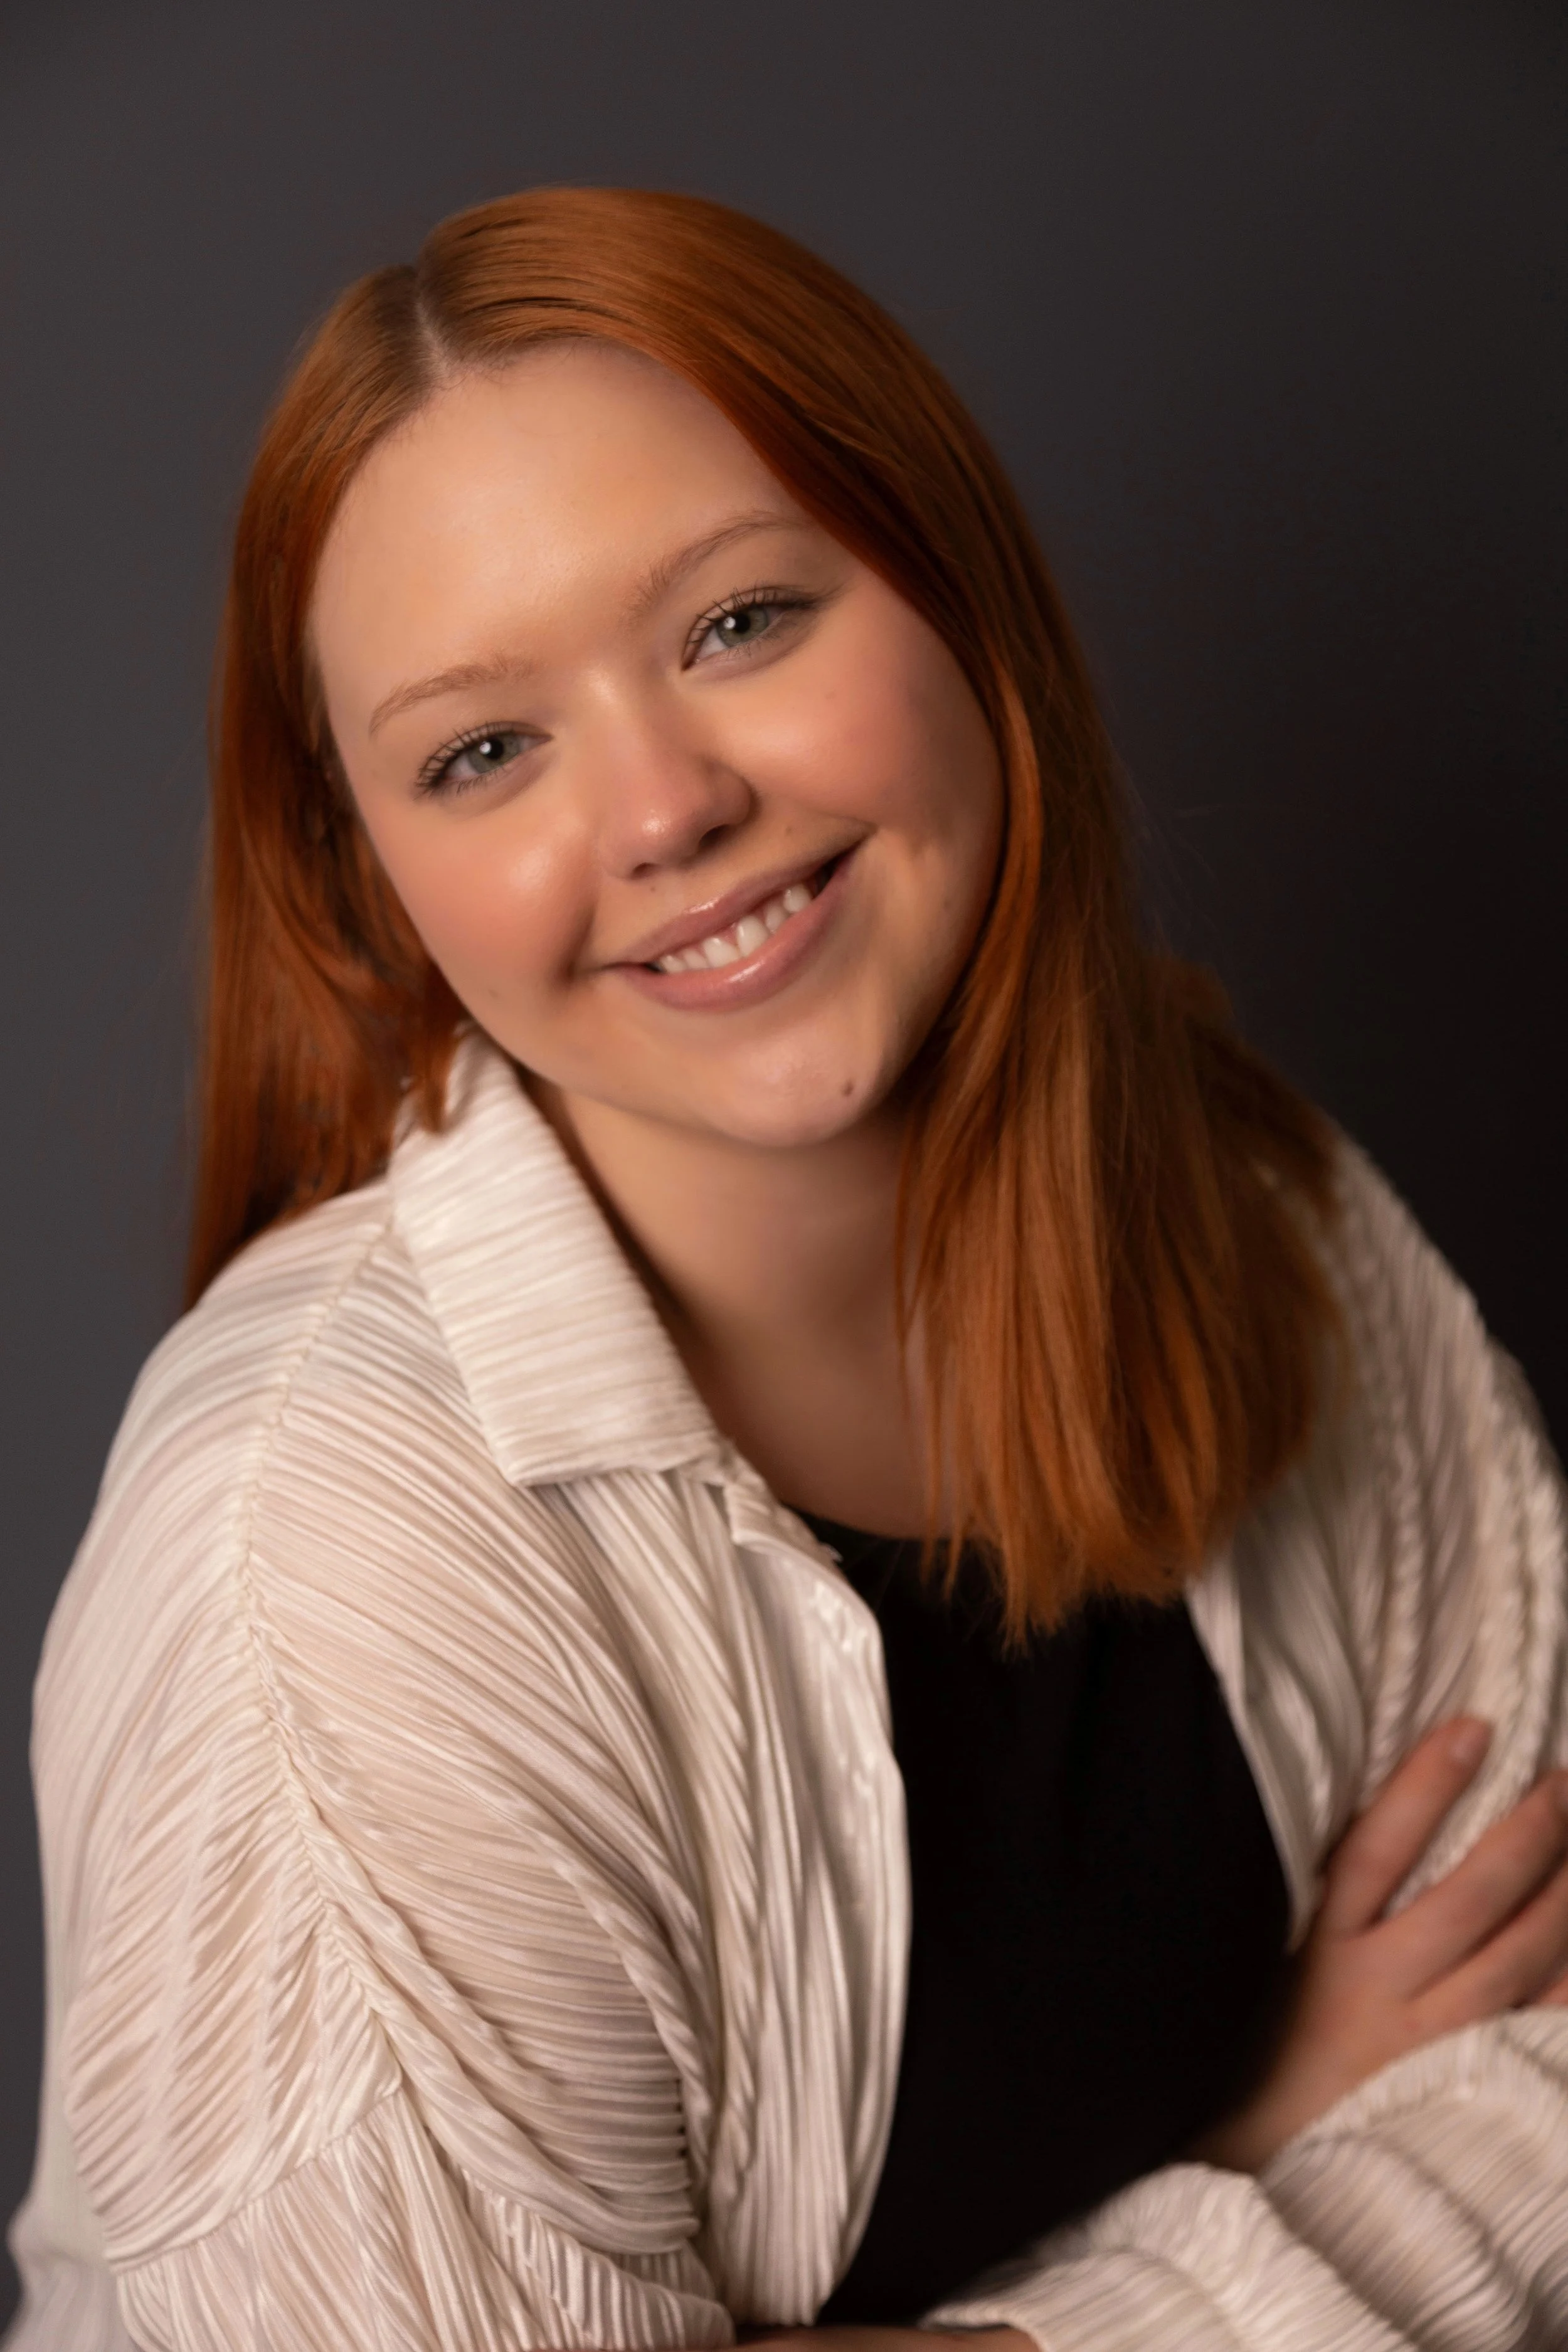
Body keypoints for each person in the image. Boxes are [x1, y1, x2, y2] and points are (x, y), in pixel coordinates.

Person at [6, 186, 1568, 2352]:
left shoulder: (1265, 1220)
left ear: (953, 592)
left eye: (737, 623)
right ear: (375, 890)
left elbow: (1550, 2057)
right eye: (483, 750)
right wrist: (1252, 2188)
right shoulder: (319, 1550)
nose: (660, 807)